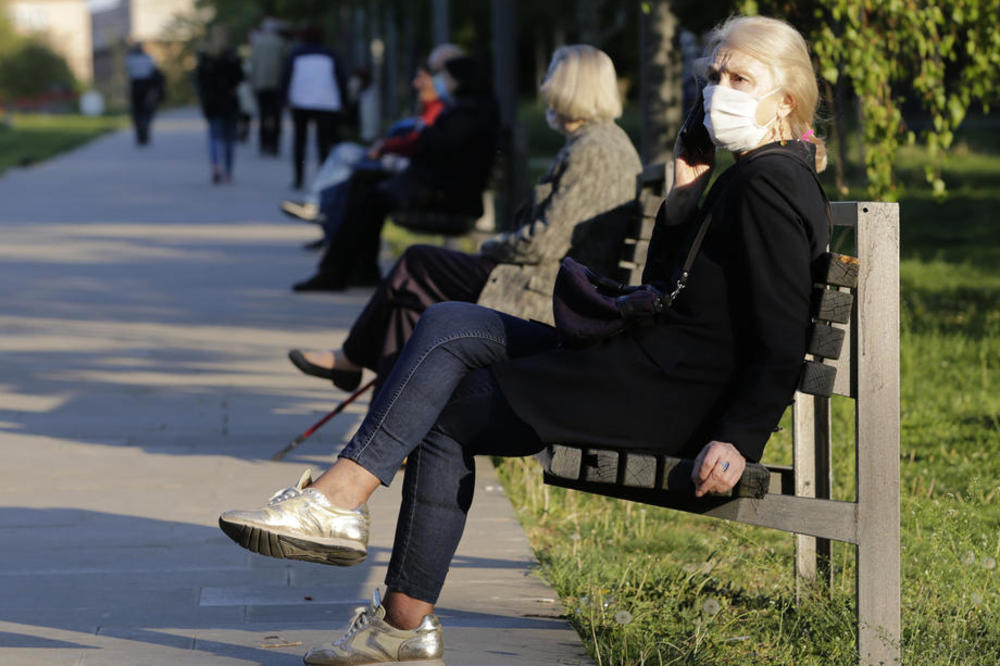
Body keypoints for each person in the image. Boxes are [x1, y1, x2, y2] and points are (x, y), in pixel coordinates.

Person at [219, 15, 831, 665]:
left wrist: (740, 437)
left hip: (666, 394)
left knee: (445, 408)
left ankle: (375, 583)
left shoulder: (770, 184)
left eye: (740, 77)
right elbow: (667, 287)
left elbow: (783, 330)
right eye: (714, 76)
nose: (719, 91)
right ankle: (351, 527)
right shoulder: (752, 174)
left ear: (785, 99)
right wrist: (684, 193)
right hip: (646, 366)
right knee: (450, 321)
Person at [287, 45, 641, 398]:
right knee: (407, 306)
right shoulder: (595, 143)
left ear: (571, 86)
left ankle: (351, 360)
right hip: (550, 279)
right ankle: (392, 442)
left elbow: (543, 242)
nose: (546, 87)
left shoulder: (594, 150)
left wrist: (490, 244)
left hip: (544, 288)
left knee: (415, 263)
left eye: (552, 78)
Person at [291, 55, 499, 292]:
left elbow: (438, 145)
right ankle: (358, 270)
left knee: (368, 193)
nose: (444, 82)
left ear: (462, 80)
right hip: (440, 187)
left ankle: (335, 271)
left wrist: (422, 133)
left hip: (445, 195)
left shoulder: (468, 113)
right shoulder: (470, 109)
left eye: (448, 77)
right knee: (364, 180)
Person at [279, 44, 464, 248]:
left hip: (417, 172)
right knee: (345, 159)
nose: (417, 83)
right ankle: (327, 223)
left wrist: (386, 147)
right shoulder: (440, 107)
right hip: (412, 165)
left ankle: (324, 218)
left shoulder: (449, 110)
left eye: (432, 74)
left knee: (353, 172)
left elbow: (420, 141)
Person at [282, 24, 348, 189]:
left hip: (300, 101)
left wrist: (284, 99)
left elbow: (285, 78)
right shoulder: (330, 54)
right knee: (323, 142)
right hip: (326, 102)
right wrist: (344, 101)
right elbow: (341, 79)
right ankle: (323, 177)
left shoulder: (296, 54)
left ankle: (298, 178)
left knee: (299, 141)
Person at [195, 26, 244, 184]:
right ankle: (228, 171)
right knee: (229, 138)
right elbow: (240, 77)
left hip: (212, 102)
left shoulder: (205, 56)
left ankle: (216, 166)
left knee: (214, 137)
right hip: (229, 101)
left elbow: (199, 81)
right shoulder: (232, 55)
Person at [249, 17, 287, 155]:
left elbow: (253, 65)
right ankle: (275, 145)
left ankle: (264, 144)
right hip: (276, 84)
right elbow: (284, 64)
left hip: (261, 84)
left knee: (263, 115)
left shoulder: (257, 43)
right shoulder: (280, 43)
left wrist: (253, 83)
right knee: (276, 117)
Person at [124, 41, 164, 146]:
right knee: (146, 111)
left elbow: (128, 72)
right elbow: (154, 71)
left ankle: (141, 134)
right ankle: (144, 133)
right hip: (145, 86)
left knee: (138, 112)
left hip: (137, 86)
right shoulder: (148, 58)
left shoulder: (130, 58)